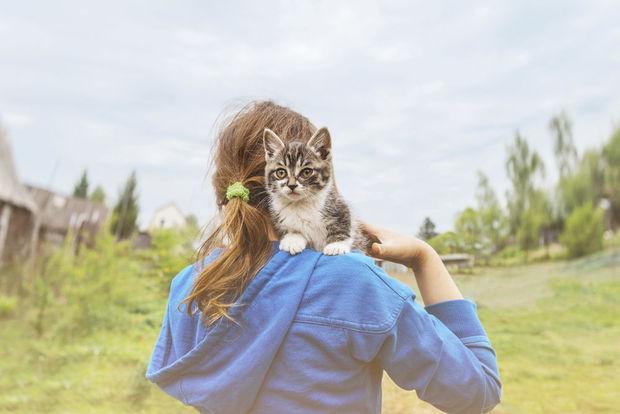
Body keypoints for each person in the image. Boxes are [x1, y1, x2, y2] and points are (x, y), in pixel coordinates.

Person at [146, 101, 501, 414]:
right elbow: (477, 392)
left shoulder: (190, 286)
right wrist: (425, 258)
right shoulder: (352, 282)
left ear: (223, 189)